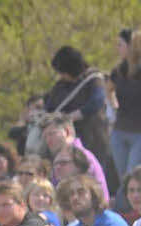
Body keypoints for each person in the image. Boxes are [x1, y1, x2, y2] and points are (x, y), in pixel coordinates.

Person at [45, 46, 118, 193]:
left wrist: (70, 117)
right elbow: (50, 106)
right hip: (67, 140)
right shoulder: (61, 85)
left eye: (62, 72)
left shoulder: (93, 79)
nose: (61, 76)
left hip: (93, 136)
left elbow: (96, 102)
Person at [110, 29, 141, 174]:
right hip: (119, 130)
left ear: (131, 46)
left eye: (120, 44)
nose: (117, 48)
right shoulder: (119, 70)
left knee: (134, 174)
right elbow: (108, 89)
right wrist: (114, 107)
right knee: (123, 178)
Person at [41, 114, 110, 200]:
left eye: (52, 134)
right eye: (45, 136)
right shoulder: (59, 157)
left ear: (66, 132)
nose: (48, 140)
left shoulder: (82, 156)